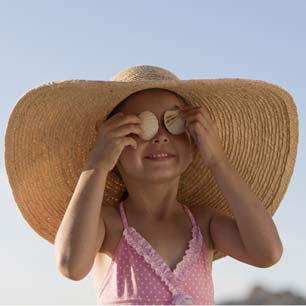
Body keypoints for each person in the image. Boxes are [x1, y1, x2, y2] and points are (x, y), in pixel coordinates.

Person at [4, 65, 298, 305]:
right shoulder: (109, 224)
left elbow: (267, 253)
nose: (160, 136)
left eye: (174, 123)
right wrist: (97, 164)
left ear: (194, 142)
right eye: (141, 125)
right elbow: (70, 264)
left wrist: (218, 161)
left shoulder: (204, 223)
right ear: (113, 147)